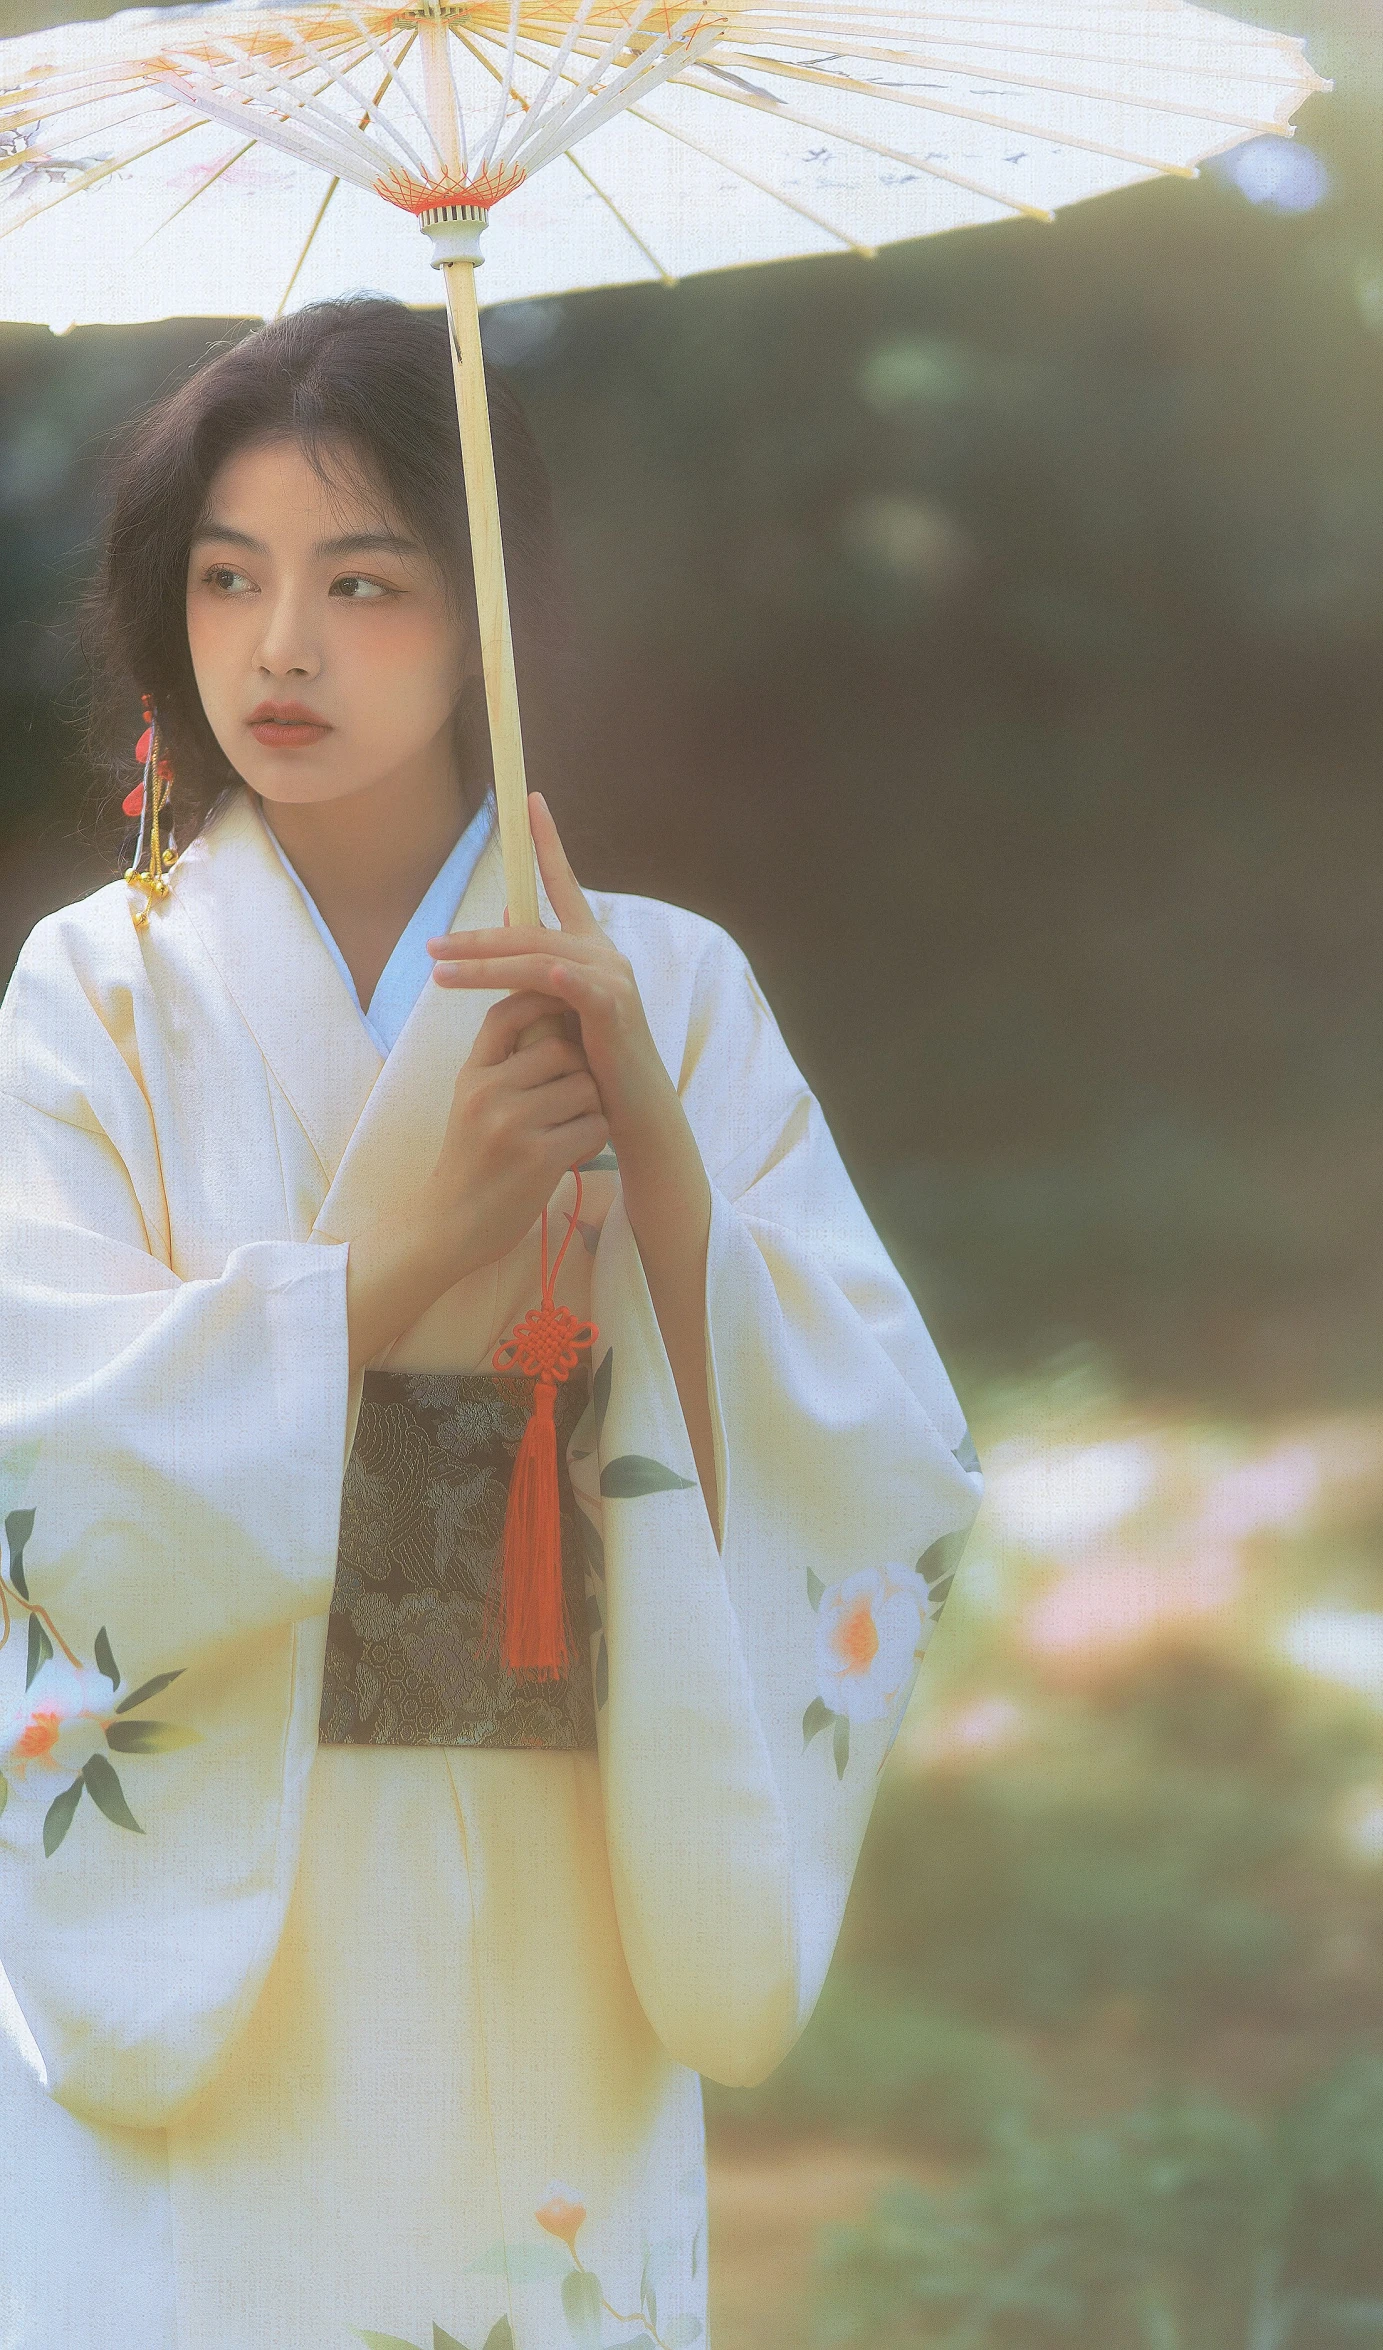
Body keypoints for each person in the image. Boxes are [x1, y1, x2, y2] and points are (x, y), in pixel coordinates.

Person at [0, 297, 982, 2350]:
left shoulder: (668, 990)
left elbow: (875, 1453)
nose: (282, 646)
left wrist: (661, 1159)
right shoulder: (92, 995)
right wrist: (394, 1254)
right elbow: (35, 1450)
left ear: (486, 625)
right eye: (228, 577)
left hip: (558, 1846)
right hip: (225, 1901)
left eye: (363, 584)